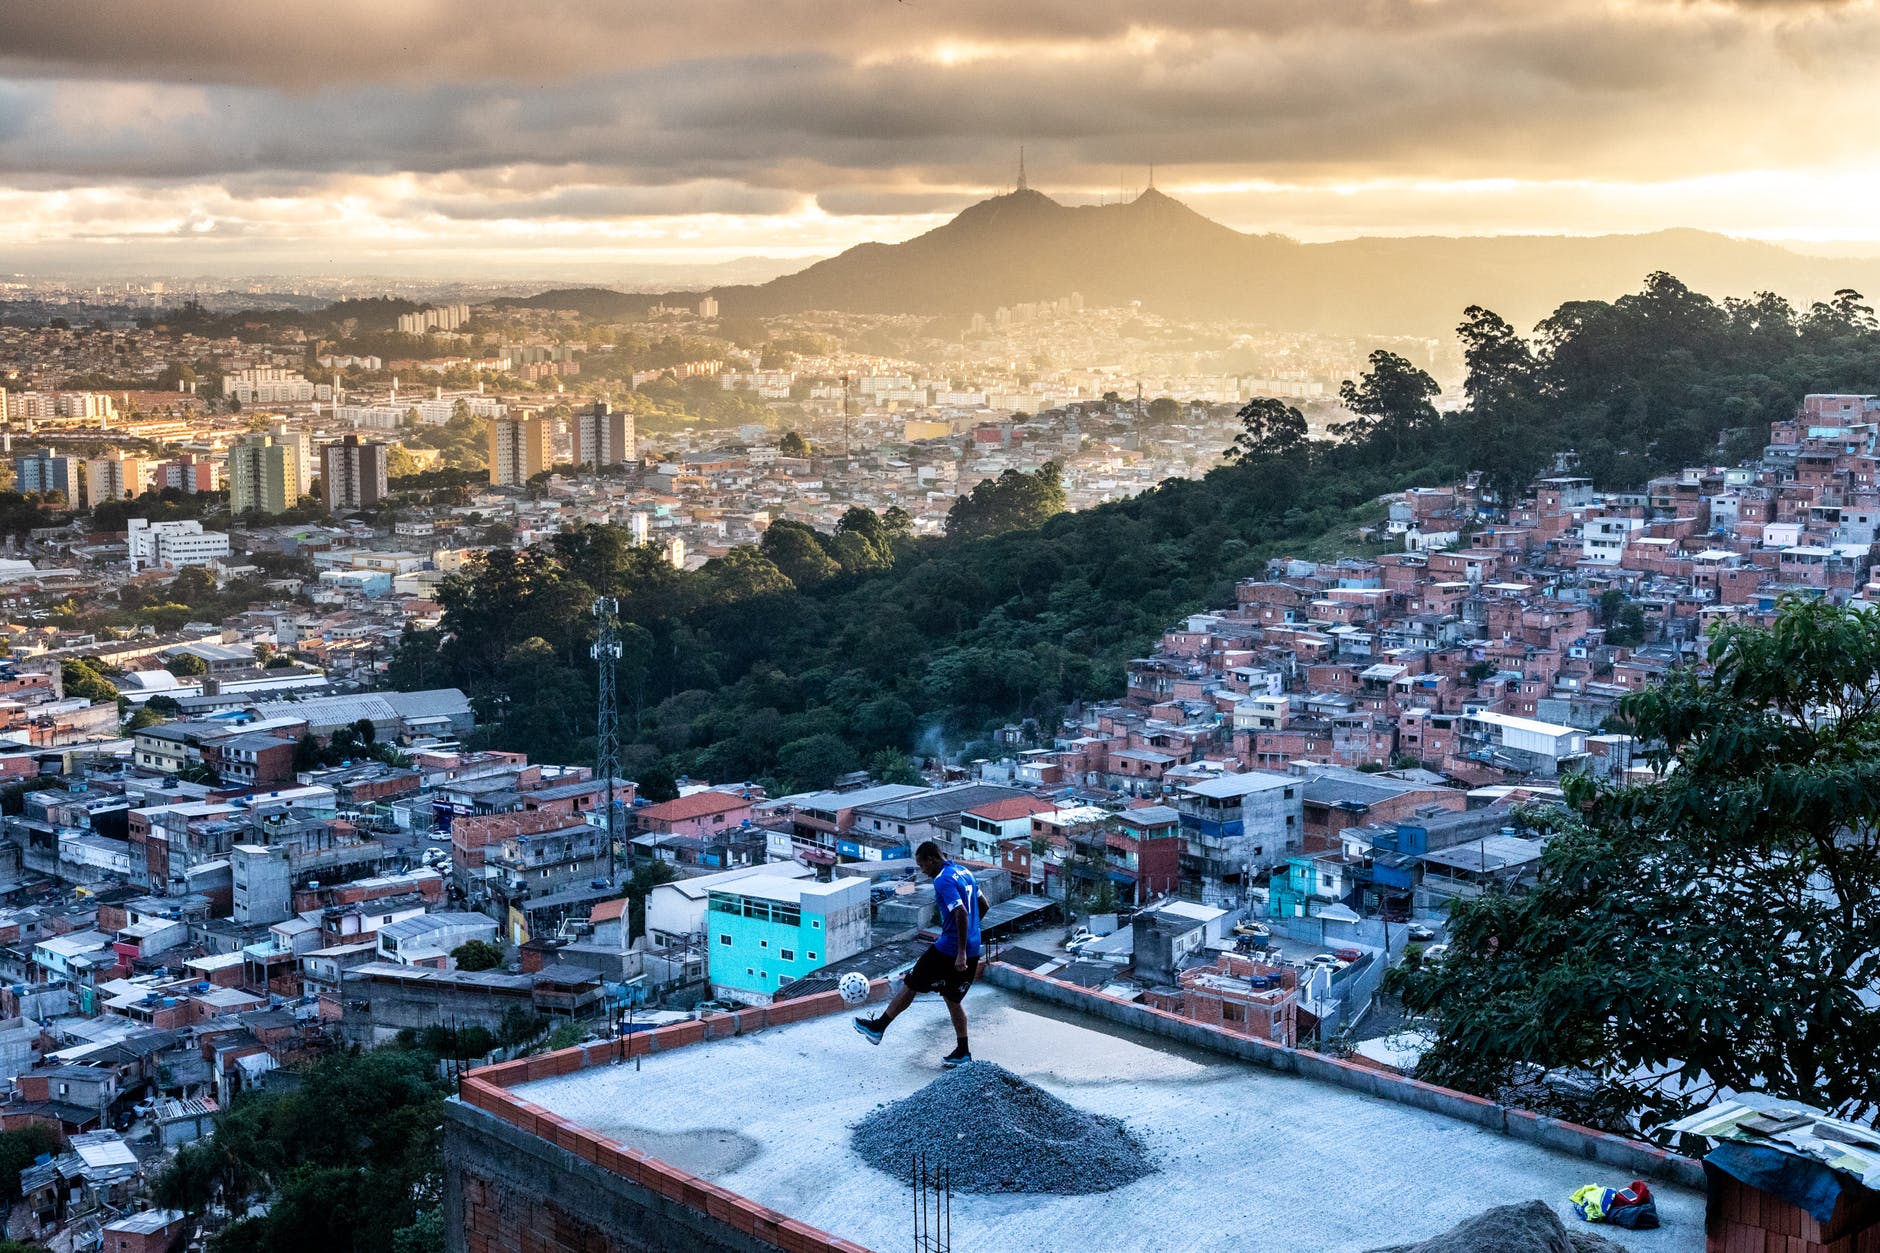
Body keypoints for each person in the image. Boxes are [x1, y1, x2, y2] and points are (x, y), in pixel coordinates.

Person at [854, 841, 982, 1067]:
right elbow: (984, 904)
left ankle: (877, 1028)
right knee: (953, 998)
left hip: (949, 949)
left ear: (932, 859)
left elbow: (960, 911)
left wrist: (960, 952)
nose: (922, 871)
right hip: (973, 948)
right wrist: (971, 934)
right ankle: (963, 1052)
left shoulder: (942, 879)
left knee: (912, 983)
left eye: (922, 866)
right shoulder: (964, 871)